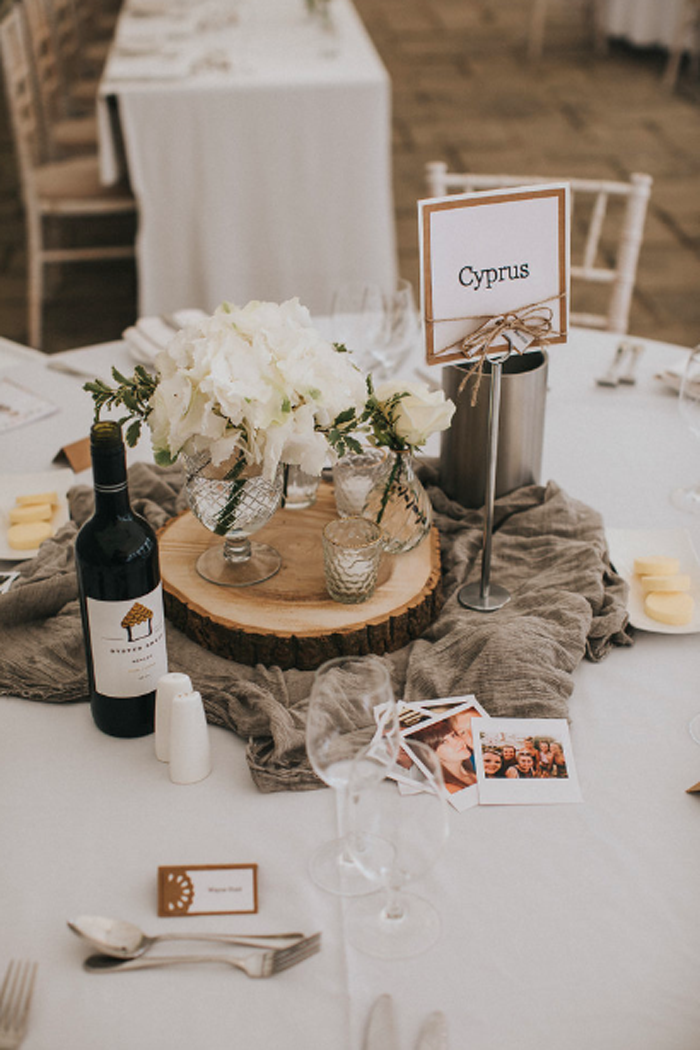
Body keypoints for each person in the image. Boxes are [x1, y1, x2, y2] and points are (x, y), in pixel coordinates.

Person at [412, 720, 477, 793]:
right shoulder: (449, 789)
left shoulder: (475, 763)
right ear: (430, 755)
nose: (458, 741)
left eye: (453, 735)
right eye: (444, 742)